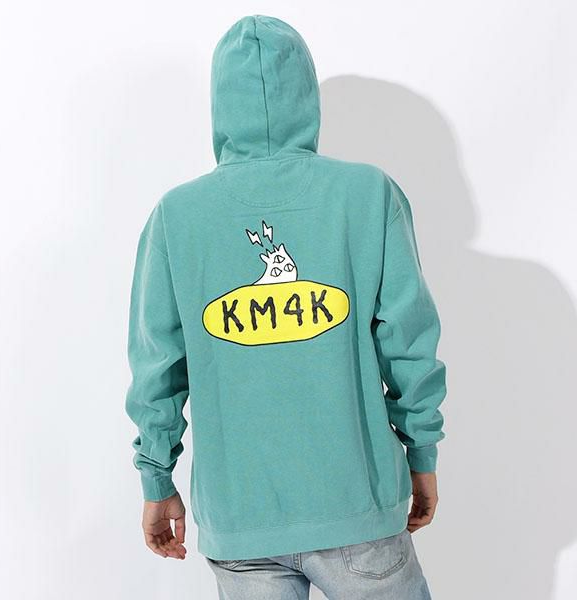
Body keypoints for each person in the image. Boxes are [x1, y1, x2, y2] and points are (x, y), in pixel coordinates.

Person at [125, 14, 447, 600]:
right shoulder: (368, 194)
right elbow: (409, 345)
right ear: (306, 94)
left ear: (220, 104)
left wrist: (156, 479)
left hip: (240, 520)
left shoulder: (177, 216)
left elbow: (157, 369)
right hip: (358, 506)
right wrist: (421, 452)